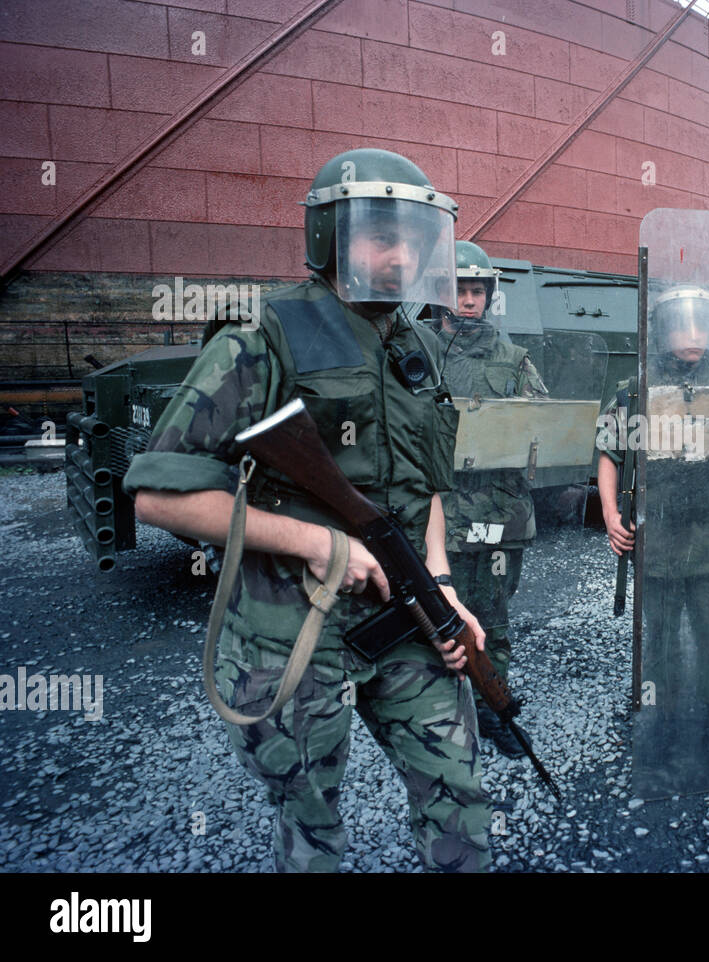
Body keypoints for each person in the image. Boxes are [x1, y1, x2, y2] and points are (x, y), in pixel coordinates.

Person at [124, 148, 491, 872]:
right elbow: (160, 496)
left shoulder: (417, 345)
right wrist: (317, 543)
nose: (402, 255)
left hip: (405, 623)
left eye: (415, 240)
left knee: (460, 795)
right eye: (381, 236)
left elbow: (427, 491)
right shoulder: (263, 338)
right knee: (313, 827)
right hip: (293, 634)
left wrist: (443, 589)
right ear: (329, 238)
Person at [596, 286, 709, 787]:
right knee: (659, 645)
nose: (695, 336)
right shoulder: (634, 389)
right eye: (683, 325)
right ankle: (659, 730)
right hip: (656, 536)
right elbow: (609, 453)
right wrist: (611, 514)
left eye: (704, 325)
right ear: (662, 332)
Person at [432, 240, 549, 758]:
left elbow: (542, 427)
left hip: (498, 517)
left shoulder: (513, 358)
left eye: (477, 291)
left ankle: (492, 712)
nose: (469, 300)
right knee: (435, 618)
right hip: (440, 517)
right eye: (460, 290)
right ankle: (436, 715)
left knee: (493, 619)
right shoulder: (418, 353)